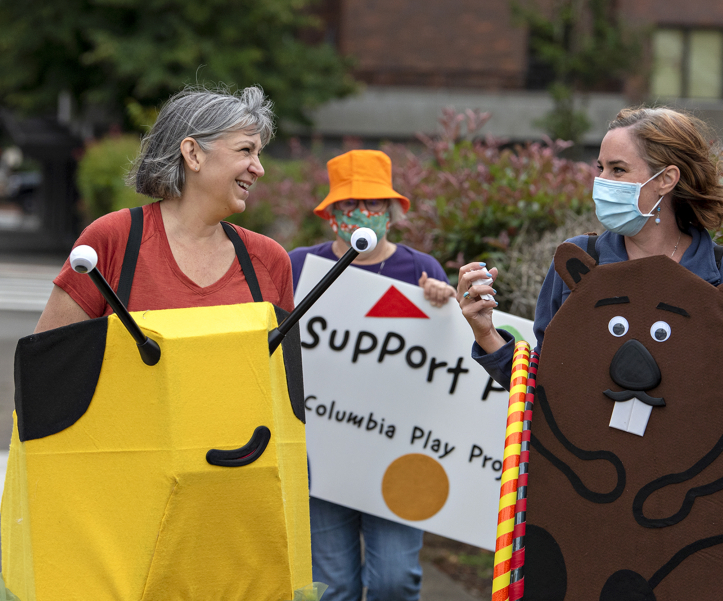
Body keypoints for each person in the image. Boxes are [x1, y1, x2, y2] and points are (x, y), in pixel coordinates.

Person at [457, 107, 723, 584]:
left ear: (666, 179)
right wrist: (485, 333)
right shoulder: (577, 267)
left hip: (689, 512)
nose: (602, 181)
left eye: (618, 170)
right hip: (587, 512)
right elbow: (549, 391)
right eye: (600, 168)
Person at [288, 149, 456, 601]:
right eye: (349, 205)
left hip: (397, 452)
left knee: (393, 582)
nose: (362, 214)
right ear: (331, 214)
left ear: (393, 212)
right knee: (331, 587)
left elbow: (450, 364)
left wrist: (447, 307)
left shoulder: (422, 271)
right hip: (322, 455)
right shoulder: (299, 267)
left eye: (374, 205)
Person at [35, 85, 293, 334]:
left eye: (258, 153)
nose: (259, 169)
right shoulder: (112, 240)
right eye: (246, 150)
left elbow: (283, 374)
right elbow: (46, 365)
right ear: (192, 154)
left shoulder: (270, 261)